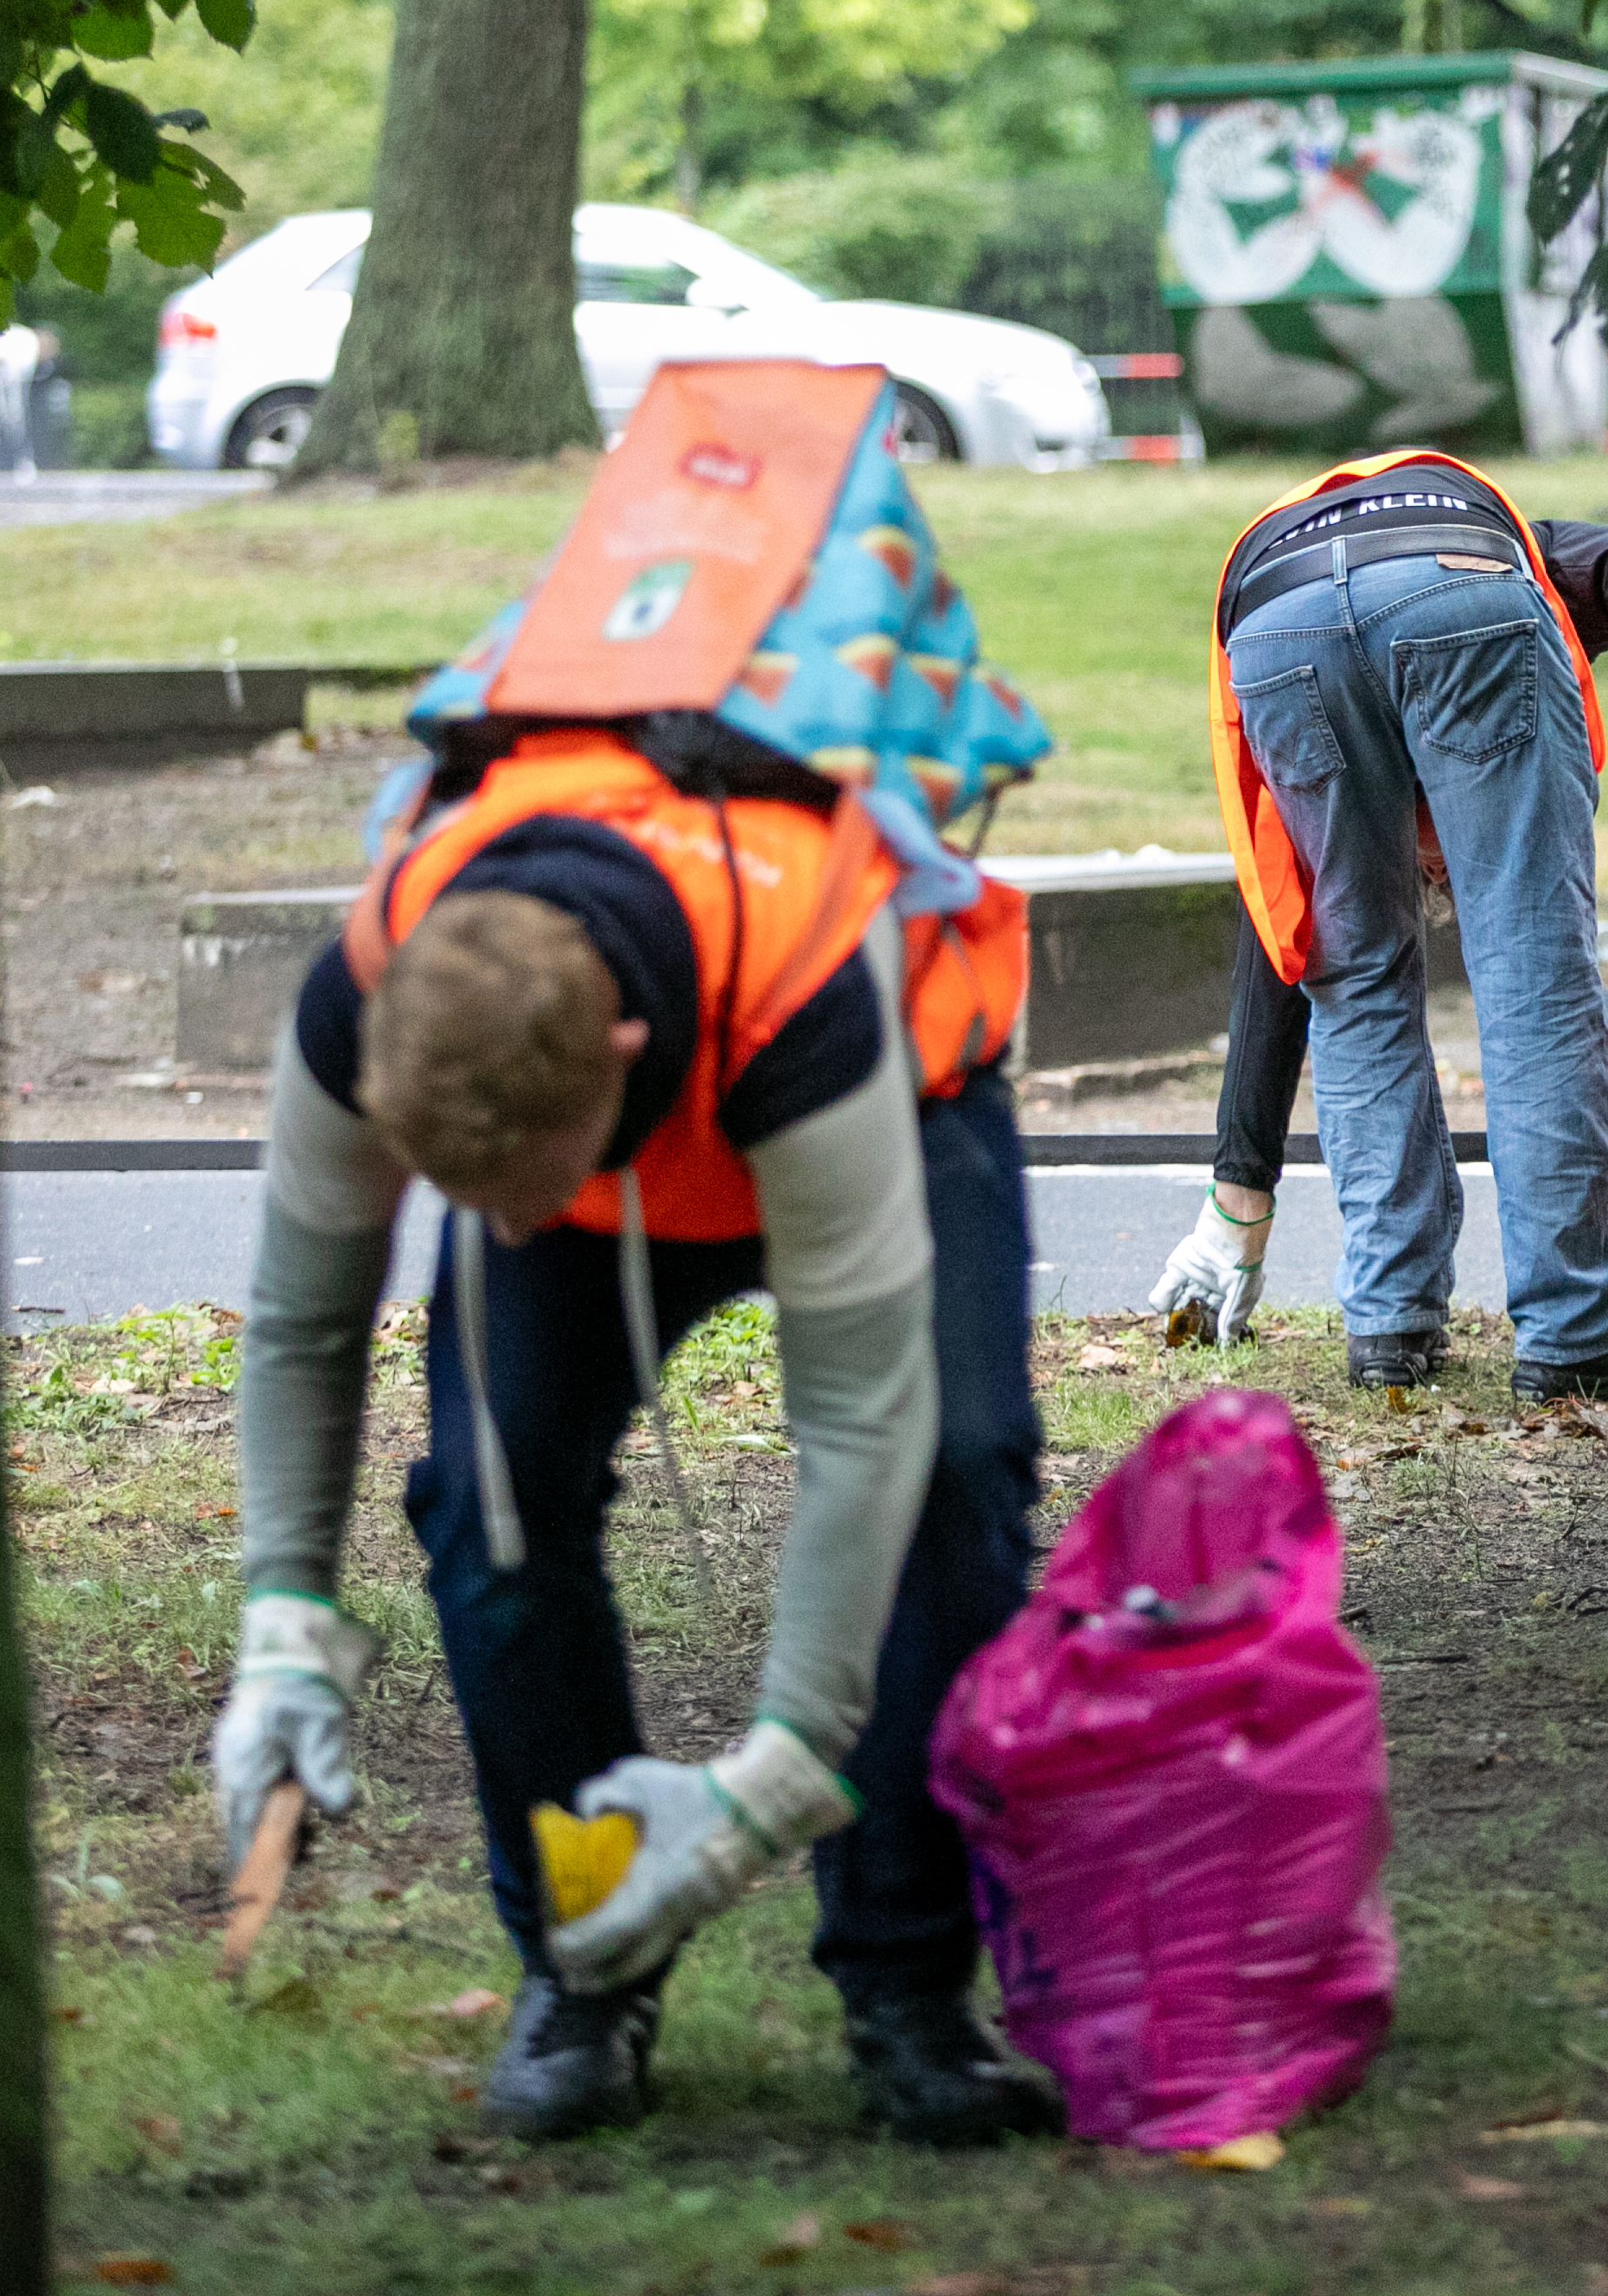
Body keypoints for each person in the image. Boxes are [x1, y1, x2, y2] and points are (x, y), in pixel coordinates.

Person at [211, 733, 1056, 2150]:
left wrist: (768, 1780)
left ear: (611, 1061)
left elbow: (863, 1425)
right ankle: (584, 1965)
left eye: (521, 1196)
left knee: (957, 1468)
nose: (514, 1231)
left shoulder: (804, 989)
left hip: (883, 1087)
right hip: (610, 1096)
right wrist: (283, 1614)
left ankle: (907, 1987)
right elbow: (302, 1323)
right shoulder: (369, 986)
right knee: (495, 1502)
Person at [1202, 453, 1608, 1396]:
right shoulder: (1497, 545)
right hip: (1454, 588)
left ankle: (1388, 1325)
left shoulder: (1550, 554)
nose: (1442, 870)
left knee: (1354, 983)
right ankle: (1577, 1326)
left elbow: (1295, 938)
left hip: (1273, 621)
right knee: (1529, 969)